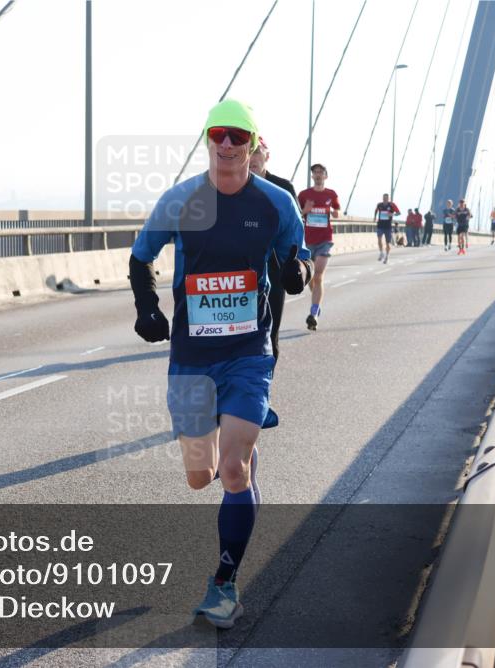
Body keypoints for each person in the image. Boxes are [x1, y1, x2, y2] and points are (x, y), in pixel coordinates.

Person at [128, 99, 311, 629]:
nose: (227, 144)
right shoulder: (181, 200)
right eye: (218, 134)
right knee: (198, 476)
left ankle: (224, 583)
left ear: (252, 145)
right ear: (208, 138)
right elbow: (141, 259)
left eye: (237, 136)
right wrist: (147, 308)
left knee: (232, 470)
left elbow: (293, 256)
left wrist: (294, 272)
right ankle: (239, 449)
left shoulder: (276, 203)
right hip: (190, 355)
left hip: (249, 353)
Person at [248, 138, 295, 360]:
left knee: (270, 335)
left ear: (267, 156)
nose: (252, 157)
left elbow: (296, 232)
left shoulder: (283, 188)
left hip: (275, 272)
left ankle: (264, 391)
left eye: (257, 152)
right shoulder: (228, 187)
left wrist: (299, 268)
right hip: (240, 274)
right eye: (248, 151)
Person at [296, 163, 340, 331]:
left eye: (321, 172)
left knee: (319, 276)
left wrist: (336, 213)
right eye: (315, 172)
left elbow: (337, 210)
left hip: (325, 240)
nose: (318, 175)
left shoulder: (331, 194)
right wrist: (305, 210)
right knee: (311, 277)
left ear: (326, 176)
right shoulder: (304, 194)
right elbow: (296, 213)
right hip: (307, 241)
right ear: (312, 176)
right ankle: (317, 302)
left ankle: (313, 313)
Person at [374, 194, 399, 263]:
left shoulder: (392, 205)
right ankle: (381, 253)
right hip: (380, 225)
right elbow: (376, 210)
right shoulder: (379, 205)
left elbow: (398, 213)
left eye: (386, 198)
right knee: (379, 239)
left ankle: (387, 256)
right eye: (384, 198)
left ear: (388, 198)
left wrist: (392, 214)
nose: (385, 199)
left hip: (388, 226)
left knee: (388, 243)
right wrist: (374, 217)